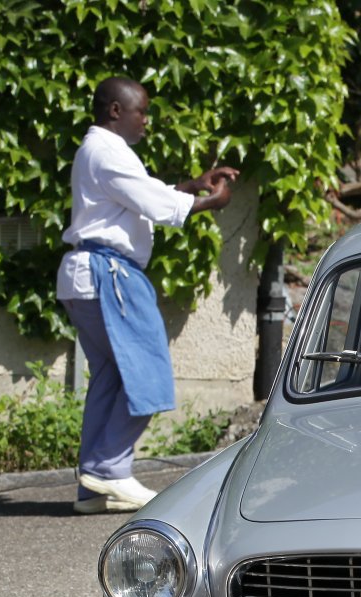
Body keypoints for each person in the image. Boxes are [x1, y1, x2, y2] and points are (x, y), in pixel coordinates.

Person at [57, 77, 237, 514]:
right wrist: (211, 202)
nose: (147, 121)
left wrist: (191, 186)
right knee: (147, 373)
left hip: (90, 274)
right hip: (110, 274)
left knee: (111, 378)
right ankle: (108, 469)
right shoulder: (106, 151)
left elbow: (141, 196)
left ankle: (94, 489)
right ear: (116, 111)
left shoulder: (100, 151)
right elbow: (154, 205)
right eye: (142, 111)